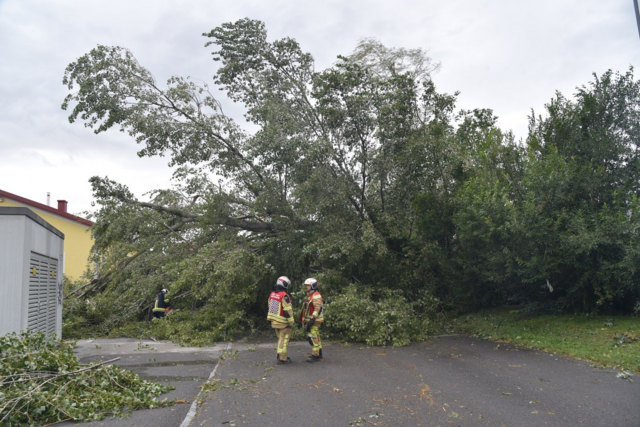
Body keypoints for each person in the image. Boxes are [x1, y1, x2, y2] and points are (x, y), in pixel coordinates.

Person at [267, 276, 295, 364]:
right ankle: (282, 359)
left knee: (280, 340)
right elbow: (288, 310)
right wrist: (291, 322)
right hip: (283, 323)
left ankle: (282, 356)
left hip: (275, 322)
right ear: (285, 285)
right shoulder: (284, 296)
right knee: (284, 340)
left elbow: (270, 306)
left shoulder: (272, 294)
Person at [299, 278, 324, 362]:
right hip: (313, 320)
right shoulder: (311, 295)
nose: (307, 287)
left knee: (313, 337)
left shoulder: (316, 295)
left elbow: (318, 308)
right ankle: (319, 353)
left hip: (314, 320)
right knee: (316, 336)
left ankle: (315, 355)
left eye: (308, 286)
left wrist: (312, 318)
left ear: (313, 286)